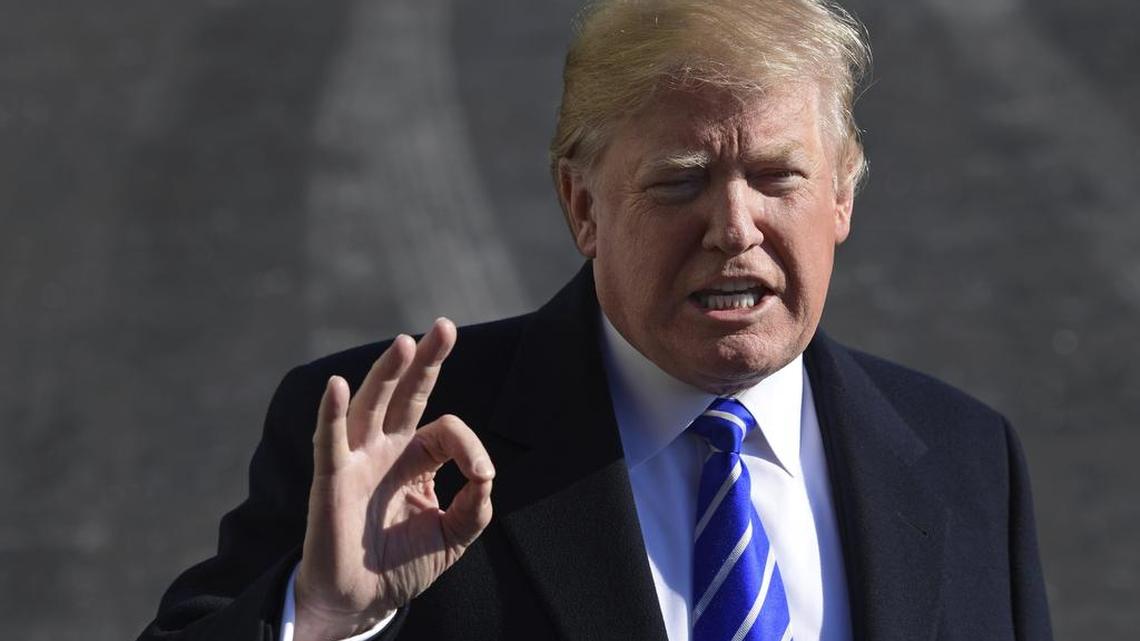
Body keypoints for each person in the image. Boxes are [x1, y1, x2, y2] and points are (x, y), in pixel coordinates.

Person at [138, 1, 1053, 640]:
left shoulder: (966, 460)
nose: (734, 227)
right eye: (679, 180)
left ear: (843, 196)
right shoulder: (394, 449)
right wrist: (324, 615)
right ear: (582, 205)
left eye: (778, 177)